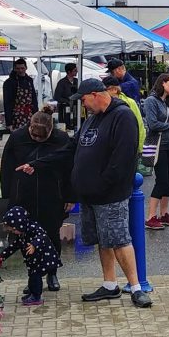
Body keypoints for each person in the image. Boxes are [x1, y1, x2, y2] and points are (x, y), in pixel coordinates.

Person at [20, 78, 151, 307]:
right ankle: (110, 284)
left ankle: (137, 287)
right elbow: (70, 149)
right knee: (103, 240)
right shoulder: (92, 120)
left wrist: (102, 185)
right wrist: (39, 163)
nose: (83, 104)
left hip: (110, 194)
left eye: (84, 99)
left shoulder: (123, 116)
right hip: (90, 194)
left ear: (96, 94)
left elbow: (122, 159)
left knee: (119, 239)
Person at [0, 107, 73, 292]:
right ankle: (34, 276)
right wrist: (9, 195)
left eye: (42, 138)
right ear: (29, 127)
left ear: (50, 130)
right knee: (27, 237)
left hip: (53, 193)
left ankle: (52, 272)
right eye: (34, 137)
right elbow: (6, 166)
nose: (37, 140)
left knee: (51, 234)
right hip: (25, 193)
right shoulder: (17, 137)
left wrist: (71, 196)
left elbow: (70, 168)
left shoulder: (62, 139)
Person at [0, 206, 63, 306]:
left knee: (35, 276)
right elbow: (13, 247)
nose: (14, 233)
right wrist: (2, 256)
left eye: (14, 230)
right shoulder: (22, 234)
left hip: (43, 258)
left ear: (20, 225)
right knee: (32, 275)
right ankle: (32, 293)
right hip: (33, 260)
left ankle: (36, 296)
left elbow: (41, 235)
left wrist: (34, 245)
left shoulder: (33, 227)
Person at [144, 74, 169, 230]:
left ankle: (164, 213)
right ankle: (150, 216)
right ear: (163, 83)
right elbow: (152, 124)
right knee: (162, 180)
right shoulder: (151, 101)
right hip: (158, 144)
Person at [103, 76, 146, 157]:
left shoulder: (130, 102)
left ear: (114, 89)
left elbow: (139, 125)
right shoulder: (103, 103)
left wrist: (140, 148)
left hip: (128, 147)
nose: (103, 93)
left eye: (105, 90)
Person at [3, 58, 39, 131]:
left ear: (26, 68)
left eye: (22, 68)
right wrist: (9, 122)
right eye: (18, 68)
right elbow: (7, 103)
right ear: (14, 69)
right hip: (16, 116)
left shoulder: (29, 80)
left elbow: (34, 98)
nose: (20, 70)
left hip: (29, 114)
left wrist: (36, 115)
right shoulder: (9, 82)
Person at [52, 62, 79, 129]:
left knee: (75, 124)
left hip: (76, 109)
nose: (77, 71)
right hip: (64, 110)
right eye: (75, 70)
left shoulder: (77, 81)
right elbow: (56, 97)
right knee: (65, 126)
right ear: (69, 72)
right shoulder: (62, 82)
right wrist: (67, 101)